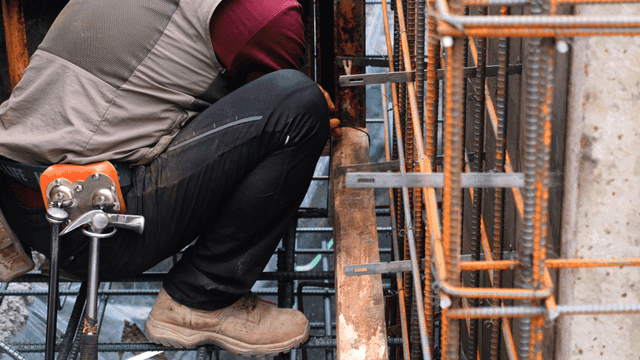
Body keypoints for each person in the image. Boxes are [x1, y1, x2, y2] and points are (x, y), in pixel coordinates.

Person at [0, 0, 340, 357]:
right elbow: (270, 109)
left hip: (26, 214)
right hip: (99, 228)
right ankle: (201, 298)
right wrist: (314, 106)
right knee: (299, 104)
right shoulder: (265, 13)